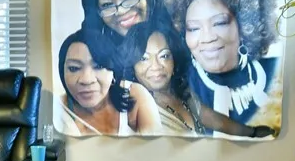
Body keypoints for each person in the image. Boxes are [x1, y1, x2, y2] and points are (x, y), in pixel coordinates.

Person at [117, 23, 277, 139]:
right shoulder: (133, 104)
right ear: (132, 64)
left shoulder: (181, 92)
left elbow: (213, 119)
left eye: (164, 55)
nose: (156, 66)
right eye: (143, 58)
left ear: (174, 59)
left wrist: (251, 132)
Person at [168, 0, 281, 124]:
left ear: (244, 26)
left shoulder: (277, 73)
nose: (207, 37)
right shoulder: (175, 87)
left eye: (219, 23)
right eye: (193, 28)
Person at [57, 29, 161, 136]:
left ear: (113, 71)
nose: (86, 80)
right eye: (74, 68)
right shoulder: (57, 111)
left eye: (99, 66)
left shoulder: (136, 95)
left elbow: (155, 149)